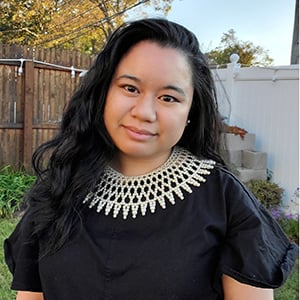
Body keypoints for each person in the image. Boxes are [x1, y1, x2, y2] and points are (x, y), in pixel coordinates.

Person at [4, 18, 298, 300]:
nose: (145, 111)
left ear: (190, 113)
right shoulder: (57, 188)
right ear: (103, 93)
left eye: (168, 97)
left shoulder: (226, 202)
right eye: (130, 88)